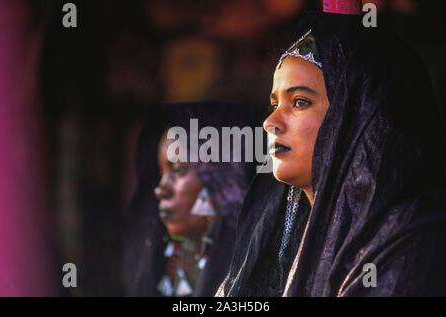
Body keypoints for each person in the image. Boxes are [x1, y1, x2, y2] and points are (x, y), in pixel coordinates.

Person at [217, 12, 446, 297]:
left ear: (358, 116)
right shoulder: (282, 240)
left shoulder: (413, 241)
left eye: (299, 102)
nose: (270, 122)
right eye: (274, 104)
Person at [124, 101, 256, 296]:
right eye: (161, 171)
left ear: (220, 179)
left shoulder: (255, 270)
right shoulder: (156, 262)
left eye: (177, 170)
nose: (160, 189)